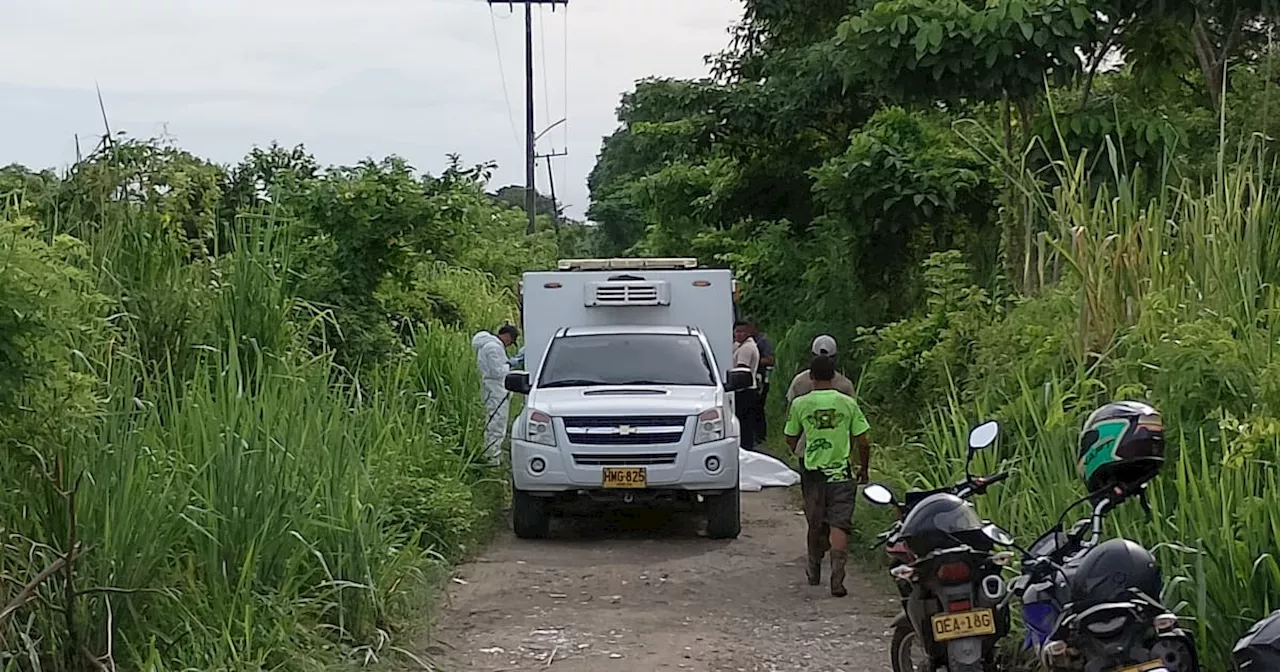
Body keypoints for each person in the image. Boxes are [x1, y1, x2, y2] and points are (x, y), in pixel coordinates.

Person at [784, 353, 871, 597]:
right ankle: (837, 578)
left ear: (811, 377)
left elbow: (790, 438)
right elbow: (863, 441)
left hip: (813, 473)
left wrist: (799, 451)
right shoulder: (848, 403)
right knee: (839, 524)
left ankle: (814, 569)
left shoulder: (800, 404)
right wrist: (863, 468)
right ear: (834, 377)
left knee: (814, 521)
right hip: (841, 474)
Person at [471, 324, 519, 465]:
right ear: (508, 336)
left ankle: (491, 454)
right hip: (496, 390)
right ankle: (492, 458)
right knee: (497, 423)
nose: (510, 344)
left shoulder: (490, 345)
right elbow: (497, 372)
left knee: (493, 421)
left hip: (493, 389)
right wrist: (510, 365)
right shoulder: (493, 347)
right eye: (511, 340)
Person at [732, 320, 761, 451]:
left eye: (742, 331)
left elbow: (741, 370)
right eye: (737, 331)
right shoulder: (740, 346)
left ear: (748, 332)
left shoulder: (746, 348)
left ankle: (746, 449)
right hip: (746, 389)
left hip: (744, 390)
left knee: (744, 424)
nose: (739, 334)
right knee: (746, 424)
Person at [747, 317, 775, 440]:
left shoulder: (763, 342)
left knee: (758, 406)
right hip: (749, 378)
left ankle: (760, 435)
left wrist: (754, 360)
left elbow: (770, 359)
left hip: (761, 379)